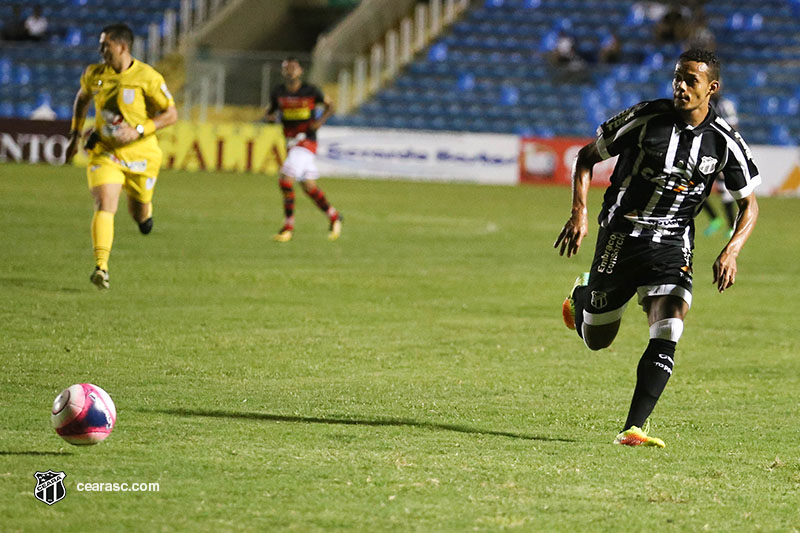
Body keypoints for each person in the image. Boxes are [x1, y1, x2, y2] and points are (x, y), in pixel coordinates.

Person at [554, 49, 760, 447]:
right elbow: (586, 157)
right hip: (620, 236)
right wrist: (579, 213)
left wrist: (731, 250)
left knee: (669, 326)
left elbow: (749, 205)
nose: (680, 86)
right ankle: (582, 295)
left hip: (672, 244)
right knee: (597, 338)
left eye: (691, 81)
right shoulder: (646, 118)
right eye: (678, 78)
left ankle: (633, 427)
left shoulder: (724, 142)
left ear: (712, 89)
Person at [65, 23, 177, 289]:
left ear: (122, 47)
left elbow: (171, 114)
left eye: (106, 45)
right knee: (105, 203)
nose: (101, 50)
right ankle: (101, 267)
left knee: (139, 215)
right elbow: (82, 99)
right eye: (101, 45)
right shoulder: (94, 74)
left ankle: (145, 214)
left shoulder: (148, 77)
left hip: (142, 156)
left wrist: (139, 130)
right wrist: (75, 133)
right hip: (105, 152)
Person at [265, 57, 341, 242]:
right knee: (309, 186)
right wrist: (270, 118)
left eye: (294, 67)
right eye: (287, 68)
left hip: (306, 141)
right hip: (291, 143)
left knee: (285, 179)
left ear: (300, 71)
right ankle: (334, 216)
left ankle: (288, 228)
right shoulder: (278, 92)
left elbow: (331, 105)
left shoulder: (311, 90)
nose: (291, 71)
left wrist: (319, 122)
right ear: (283, 72)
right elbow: (270, 112)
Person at [702, 91, 739, 237]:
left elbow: (733, 127)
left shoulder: (726, 105)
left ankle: (731, 227)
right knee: (697, 190)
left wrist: (728, 152)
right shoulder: (702, 104)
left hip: (721, 152)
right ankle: (715, 220)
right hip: (706, 152)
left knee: (725, 190)